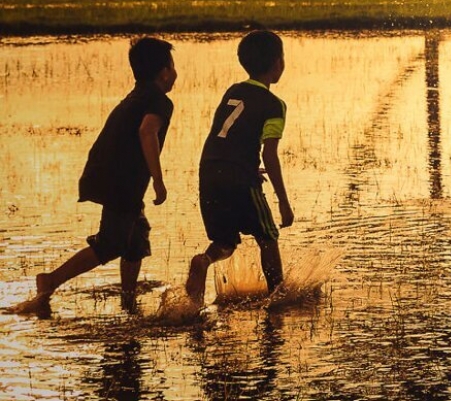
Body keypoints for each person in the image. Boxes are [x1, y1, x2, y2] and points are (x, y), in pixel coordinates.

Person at [34, 36, 176, 309]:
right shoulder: (158, 100)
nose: (174, 73)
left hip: (107, 174)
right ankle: (51, 280)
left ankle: (128, 299)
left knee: (136, 238)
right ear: (164, 72)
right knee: (111, 243)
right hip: (120, 181)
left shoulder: (137, 95)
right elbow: (147, 131)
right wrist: (158, 180)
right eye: (172, 66)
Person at [185, 29, 293, 305]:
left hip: (209, 170)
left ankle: (204, 260)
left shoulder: (233, 91)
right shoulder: (274, 105)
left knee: (225, 241)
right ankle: (277, 296)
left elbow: (229, 137)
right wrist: (283, 201)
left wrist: (244, 164)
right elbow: (270, 154)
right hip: (240, 176)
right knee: (267, 235)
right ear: (278, 64)